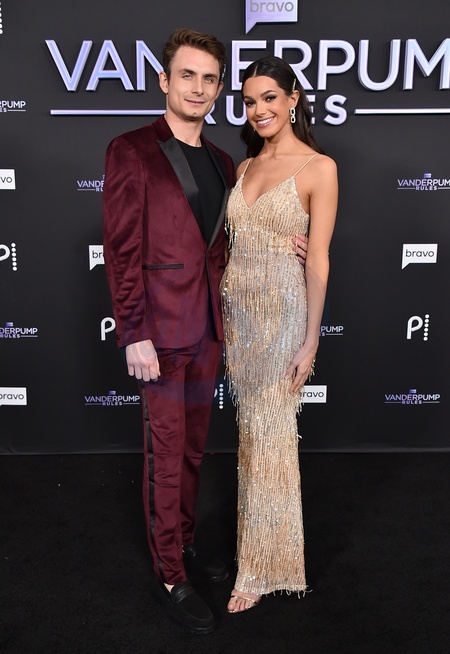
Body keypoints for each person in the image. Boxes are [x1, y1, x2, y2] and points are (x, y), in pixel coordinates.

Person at [220, 56, 338, 613]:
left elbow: (318, 258)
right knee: (253, 439)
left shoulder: (319, 167)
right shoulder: (244, 167)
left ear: (293, 99)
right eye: (249, 101)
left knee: (271, 438)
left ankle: (261, 569)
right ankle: (268, 554)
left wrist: (311, 340)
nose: (259, 109)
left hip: (282, 316)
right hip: (238, 321)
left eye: (269, 97)